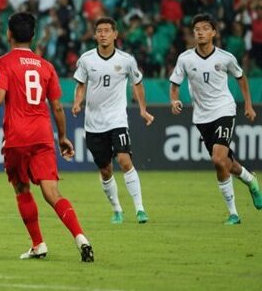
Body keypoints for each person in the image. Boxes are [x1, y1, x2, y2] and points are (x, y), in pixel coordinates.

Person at [0, 12, 94, 262]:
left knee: (22, 188)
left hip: (18, 136)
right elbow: (56, 107)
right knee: (53, 192)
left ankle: (38, 244)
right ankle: (81, 238)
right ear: (32, 36)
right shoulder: (46, 66)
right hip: (43, 135)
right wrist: (63, 137)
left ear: (8, 34)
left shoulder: (2, 63)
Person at [169, 14, 261, 224]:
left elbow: (241, 78)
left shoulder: (225, 57)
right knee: (226, 163)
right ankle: (250, 180)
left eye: (204, 28)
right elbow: (175, 85)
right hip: (202, 116)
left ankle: (233, 214)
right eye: (197, 29)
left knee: (218, 159)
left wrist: (247, 104)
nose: (200, 32)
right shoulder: (185, 58)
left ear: (213, 33)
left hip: (224, 109)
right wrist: (174, 101)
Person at [72, 17, 154, 224]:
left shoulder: (126, 60)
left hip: (117, 120)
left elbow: (138, 83)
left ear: (115, 34)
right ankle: (117, 209)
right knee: (105, 169)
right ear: (95, 35)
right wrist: (77, 102)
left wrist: (143, 110)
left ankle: (140, 209)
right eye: (99, 30)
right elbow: (81, 85)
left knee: (125, 161)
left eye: (107, 30)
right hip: (93, 123)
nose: (103, 34)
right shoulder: (87, 59)